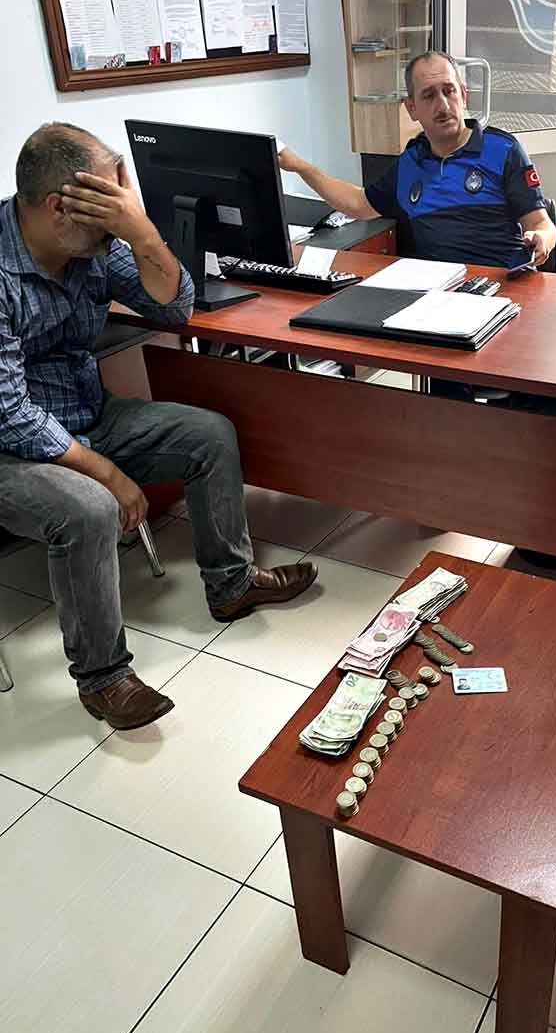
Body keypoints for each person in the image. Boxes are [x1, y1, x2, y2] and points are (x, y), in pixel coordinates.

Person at [0, 123, 318, 731]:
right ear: (60, 206)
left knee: (208, 435)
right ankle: (103, 678)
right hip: (10, 449)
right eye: (110, 198)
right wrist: (108, 474)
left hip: (85, 415)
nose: (118, 208)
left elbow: (174, 307)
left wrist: (142, 232)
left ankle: (231, 584)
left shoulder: (93, 241)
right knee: (89, 508)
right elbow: (11, 416)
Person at [278, 49, 556, 271]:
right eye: (429, 95)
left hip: (504, 284)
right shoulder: (411, 161)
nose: (443, 105)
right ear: (412, 108)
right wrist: (300, 167)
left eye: (449, 91)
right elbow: (360, 204)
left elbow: (541, 224)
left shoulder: (503, 150)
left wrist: (541, 239)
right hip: (439, 293)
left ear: (463, 95)